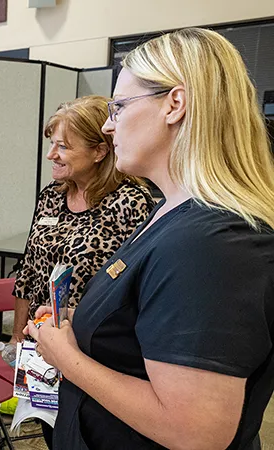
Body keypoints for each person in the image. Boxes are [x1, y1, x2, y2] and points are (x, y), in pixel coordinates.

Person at [26, 28, 274, 450]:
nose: (108, 125)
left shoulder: (213, 243)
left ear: (174, 104)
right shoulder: (173, 212)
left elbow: (194, 431)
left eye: (119, 107)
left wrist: (67, 358)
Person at [10, 95, 154, 447]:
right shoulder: (50, 197)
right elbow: (30, 270)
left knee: (88, 432)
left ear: (99, 151)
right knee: (50, 428)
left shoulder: (131, 203)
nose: (51, 155)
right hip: (43, 342)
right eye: (51, 144)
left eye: (63, 147)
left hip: (96, 350)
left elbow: (141, 288)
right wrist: (18, 336)